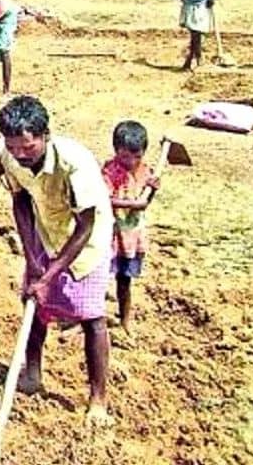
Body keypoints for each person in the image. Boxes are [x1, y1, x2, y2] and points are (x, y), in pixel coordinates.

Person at [0, 95, 115, 428]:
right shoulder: (7, 154)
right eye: (13, 148)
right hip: (46, 229)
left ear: (46, 135)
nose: (20, 155)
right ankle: (32, 374)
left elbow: (86, 226)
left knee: (91, 317)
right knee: (35, 304)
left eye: (28, 149)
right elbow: (20, 202)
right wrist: (33, 262)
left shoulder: (76, 164)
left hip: (86, 240)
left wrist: (50, 276)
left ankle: (98, 399)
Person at [102, 121, 159, 341]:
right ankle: (91, 317)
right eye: (126, 157)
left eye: (137, 156)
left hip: (133, 237)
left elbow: (146, 201)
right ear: (116, 151)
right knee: (101, 277)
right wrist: (133, 205)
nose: (131, 162)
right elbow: (104, 199)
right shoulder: (110, 171)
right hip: (111, 235)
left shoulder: (146, 171)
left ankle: (124, 320)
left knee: (124, 279)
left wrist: (152, 191)